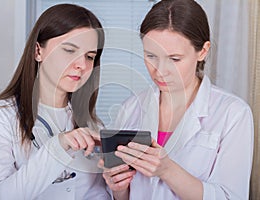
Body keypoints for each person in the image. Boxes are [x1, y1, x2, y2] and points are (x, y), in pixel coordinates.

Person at [100, 0, 254, 199]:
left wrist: (167, 170)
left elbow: (231, 197)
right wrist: (118, 188)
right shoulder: (129, 109)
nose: (161, 71)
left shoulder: (232, 113)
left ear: (203, 51)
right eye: (151, 56)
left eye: (174, 59)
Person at [0, 4, 110, 200]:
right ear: (38, 51)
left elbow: (97, 194)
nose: (81, 65)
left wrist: (119, 189)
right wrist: (58, 145)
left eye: (90, 57)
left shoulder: (93, 125)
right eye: (69, 50)